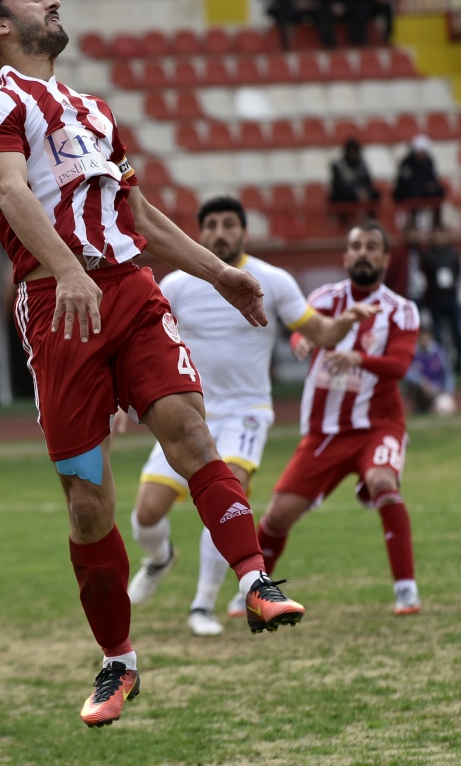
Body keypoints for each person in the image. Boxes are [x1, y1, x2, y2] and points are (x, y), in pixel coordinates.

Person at [0, 0, 303, 729]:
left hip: (133, 292)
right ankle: (119, 660)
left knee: (191, 433)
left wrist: (219, 274)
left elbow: (136, 213)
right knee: (88, 503)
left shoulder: (93, 110)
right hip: (59, 306)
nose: (51, 1)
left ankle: (255, 581)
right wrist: (67, 269)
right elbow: (12, 192)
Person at [124, 196, 374, 636]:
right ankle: (160, 558)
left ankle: (202, 606)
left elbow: (319, 331)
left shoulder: (272, 281)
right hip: (189, 413)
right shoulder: (176, 285)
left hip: (246, 412)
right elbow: (144, 344)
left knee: (228, 495)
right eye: (211, 225)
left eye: (229, 224)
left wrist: (346, 323)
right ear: (200, 232)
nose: (219, 233)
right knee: (146, 514)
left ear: (244, 232)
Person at [255, 222, 422, 617]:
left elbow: (399, 365)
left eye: (372, 246)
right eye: (356, 246)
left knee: (383, 482)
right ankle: (254, 591)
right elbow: (301, 331)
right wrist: (301, 341)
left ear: (385, 258)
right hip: (325, 432)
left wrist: (358, 358)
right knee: (277, 514)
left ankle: (406, 590)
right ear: (345, 257)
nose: (363, 253)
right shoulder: (325, 299)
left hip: (378, 425)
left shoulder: (401, 310)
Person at [419, 227, 461, 372]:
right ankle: (439, 363)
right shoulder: (428, 255)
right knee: (438, 333)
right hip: (435, 298)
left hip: (451, 296)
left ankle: (460, 362)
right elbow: (424, 273)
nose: (439, 238)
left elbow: (458, 271)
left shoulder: (452, 253)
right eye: (436, 235)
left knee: (457, 330)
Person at [392, 134, 444, 228]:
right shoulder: (407, 163)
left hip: (424, 190)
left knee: (439, 191)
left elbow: (433, 177)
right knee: (414, 191)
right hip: (407, 192)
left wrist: (431, 185)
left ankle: (437, 224)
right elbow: (405, 182)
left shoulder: (429, 161)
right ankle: (412, 224)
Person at [402, 323, 454, 415]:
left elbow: (448, 373)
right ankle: (419, 406)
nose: (424, 339)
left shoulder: (438, 352)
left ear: (430, 337)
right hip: (421, 387)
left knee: (444, 405)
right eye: (421, 337)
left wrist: (448, 392)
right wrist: (422, 383)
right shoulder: (412, 352)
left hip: (437, 388)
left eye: (426, 336)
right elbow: (407, 373)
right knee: (409, 384)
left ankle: (433, 404)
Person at [328, 137, 379, 216]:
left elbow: (368, 182)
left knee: (375, 195)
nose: (353, 154)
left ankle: (369, 219)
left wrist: (365, 192)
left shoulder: (362, 165)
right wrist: (356, 193)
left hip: (362, 195)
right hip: (345, 197)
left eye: (355, 151)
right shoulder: (338, 166)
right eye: (351, 151)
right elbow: (338, 186)